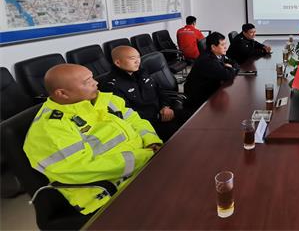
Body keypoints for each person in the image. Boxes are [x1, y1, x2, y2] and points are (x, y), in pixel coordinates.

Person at [23, 64, 161, 215]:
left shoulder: (105, 100)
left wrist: (151, 141)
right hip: (108, 193)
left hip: (144, 166)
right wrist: (146, 156)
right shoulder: (49, 129)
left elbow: (136, 120)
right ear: (62, 93)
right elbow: (82, 170)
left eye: (92, 78)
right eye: (87, 81)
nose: (96, 82)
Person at [99, 46, 186, 141]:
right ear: (118, 63)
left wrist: (165, 106)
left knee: (190, 118)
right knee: (183, 136)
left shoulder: (141, 72)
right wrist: (158, 116)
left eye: (138, 57)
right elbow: (127, 114)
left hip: (163, 112)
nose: (137, 61)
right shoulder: (111, 86)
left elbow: (160, 91)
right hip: (146, 124)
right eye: (132, 58)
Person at [184, 32, 240, 110]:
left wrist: (230, 67)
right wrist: (231, 68)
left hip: (210, 87)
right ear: (213, 47)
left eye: (225, 44)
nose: (225, 47)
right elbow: (228, 75)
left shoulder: (219, 54)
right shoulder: (208, 60)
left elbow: (234, 63)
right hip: (199, 96)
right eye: (222, 45)